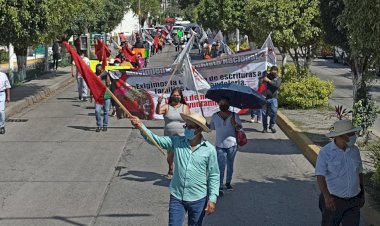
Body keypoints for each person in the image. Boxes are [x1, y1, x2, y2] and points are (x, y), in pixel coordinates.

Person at [129, 112, 219, 226]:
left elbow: (214, 175)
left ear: (199, 129)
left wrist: (212, 199)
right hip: (177, 197)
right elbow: (156, 140)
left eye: (190, 127)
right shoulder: (177, 141)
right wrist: (141, 126)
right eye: (186, 126)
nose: (187, 129)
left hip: (198, 199)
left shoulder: (209, 150)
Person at [315, 120, 364, 226]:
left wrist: (362, 193)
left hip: (353, 201)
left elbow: (359, 172)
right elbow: (320, 176)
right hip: (333, 201)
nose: (354, 136)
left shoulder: (355, 150)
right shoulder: (325, 152)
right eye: (351, 134)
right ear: (341, 136)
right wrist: (327, 197)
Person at [209, 97, 242, 197]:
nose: (223, 105)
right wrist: (204, 124)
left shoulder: (234, 115)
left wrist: (235, 124)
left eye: (225, 103)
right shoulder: (215, 116)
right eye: (221, 103)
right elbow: (211, 128)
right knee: (220, 166)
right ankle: (219, 186)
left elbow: (240, 127)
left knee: (230, 165)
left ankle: (228, 182)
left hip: (232, 145)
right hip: (220, 145)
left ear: (228, 104)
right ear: (218, 104)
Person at [156, 88, 190, 178]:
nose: (176, 97)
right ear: (171, 96)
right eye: (174, 95)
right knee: (170, 155)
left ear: (181, 97)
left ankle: (180, 172)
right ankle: (170, 168)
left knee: (181, 155)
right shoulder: (167, 107)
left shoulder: (185, 107)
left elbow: (189, 120)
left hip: (182, 136)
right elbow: (158, 112)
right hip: (169, 136)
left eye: (178, 95)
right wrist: (159, 103)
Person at [262, 66, 281, 133]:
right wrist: (264, 76)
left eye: (275, 72)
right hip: (265, 98)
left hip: (273, 99)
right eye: (272, 71)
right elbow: (260, 80)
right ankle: (265, 128)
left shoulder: (278, 78)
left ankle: (272, 126)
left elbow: (276, 85)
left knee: (274, 112)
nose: (273, 73)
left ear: (277, 72)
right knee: (264, 114)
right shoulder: (266, 76)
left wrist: (269, 81)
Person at [95, 65, 112, 132]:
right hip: (98, 97)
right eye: (98, 69)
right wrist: (91, 95)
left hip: (106, 96)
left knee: (106, 111)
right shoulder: (95, 76)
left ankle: (105, 126)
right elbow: (92, 85)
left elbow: (108, 83)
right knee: (97, 111)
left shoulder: (106, 75)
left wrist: (106, 75)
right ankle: (99, 126)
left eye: (100, 69)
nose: (99, 70)